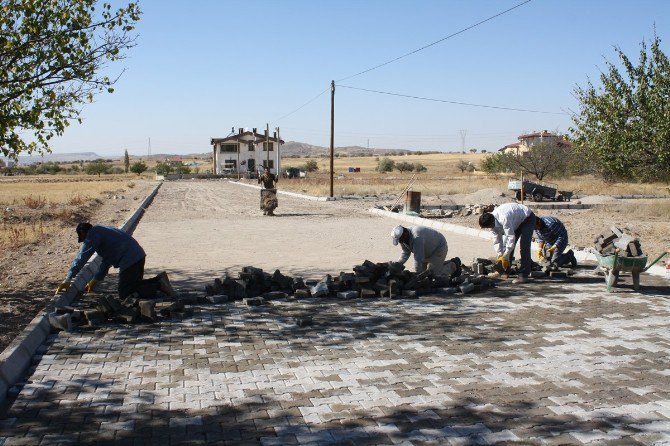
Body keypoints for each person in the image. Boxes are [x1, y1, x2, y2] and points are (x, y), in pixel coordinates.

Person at [55, 223, 174, 299]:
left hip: (130, 260)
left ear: (84, 233)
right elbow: (106, 261)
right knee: (133, 286)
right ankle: (159, 280)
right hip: (138, 256)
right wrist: (96, 280)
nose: (85, 241)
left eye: (84, 238)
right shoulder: (102, 231)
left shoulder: (93, 234)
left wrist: (68, 278)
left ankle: (158, 285)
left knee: (125, 293)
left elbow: (82, 257)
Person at [479, 203, 535, 284]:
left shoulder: (504, 218)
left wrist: (506, 254)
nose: (489, 229)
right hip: (515, 220)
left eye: (488, 227)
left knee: (524, 246)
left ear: (491, 223)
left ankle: (523, 275)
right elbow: (497, 241)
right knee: (506, 247)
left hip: (527, 218)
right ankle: (504, 271)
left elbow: (510, 237)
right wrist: (500, 256)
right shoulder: (491, 222)